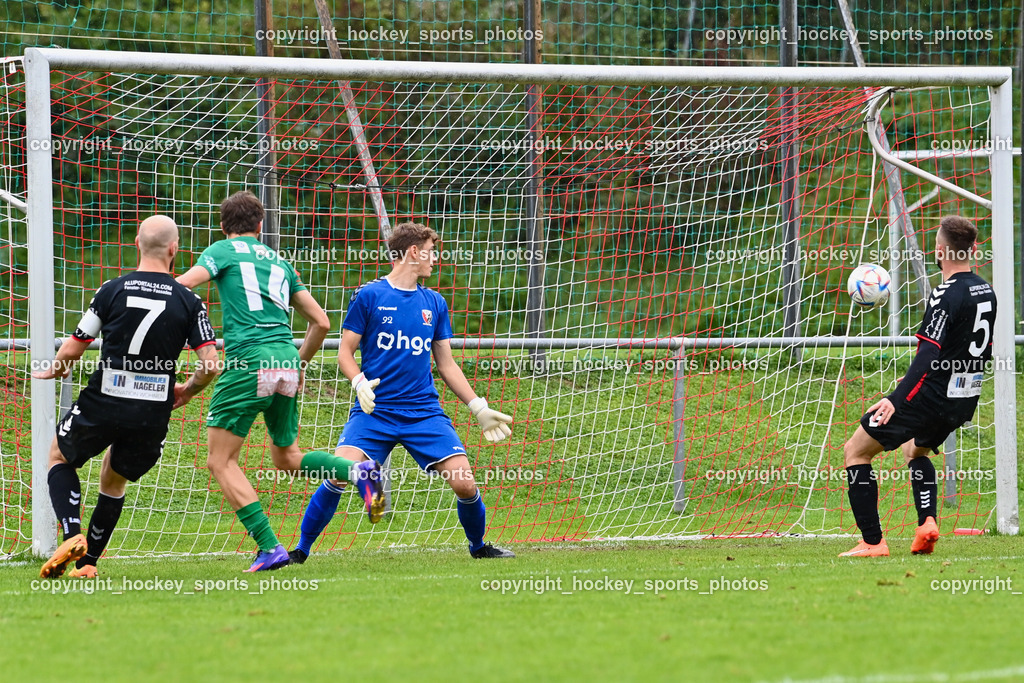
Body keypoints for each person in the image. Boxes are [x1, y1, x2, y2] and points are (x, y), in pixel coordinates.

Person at [176, 191, 382, 572]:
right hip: (284, 357)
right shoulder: (281, 263)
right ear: (260, 225)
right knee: (286, 457)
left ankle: (270, 547)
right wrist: (299, 362)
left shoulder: (222, 250)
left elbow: (183, 285)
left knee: (220, 461)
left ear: (224, 228)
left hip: (248, 359)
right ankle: (357, 470)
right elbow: (321, 322)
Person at [289, 221, 515, 564]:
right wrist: (359, 382)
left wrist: (478, 407)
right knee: (338, 474)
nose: (435, 259)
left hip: (423, 412)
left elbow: (446, 364)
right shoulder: (369, 296)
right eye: (430, 251)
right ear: (413, 252)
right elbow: (344, 353)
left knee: (465, 484)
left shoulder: (434, 303)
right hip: (374, 413)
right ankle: (300, 552)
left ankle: (479, 547)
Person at [34, 215, 219, 579]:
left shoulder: (111, 290)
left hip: (106, 396)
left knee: (59, 455)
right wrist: (187, 390)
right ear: (174, 249)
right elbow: (211, 365)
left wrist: (57, 368)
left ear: (137, 244)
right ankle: (87, 566)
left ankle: (73, 536)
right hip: (153, 407)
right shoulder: (189, 300)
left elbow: (74, 347)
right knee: (113, 480)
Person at [840, 216, 996, 557]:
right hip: (963, 397)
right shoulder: (985, 289)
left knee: (856, 451)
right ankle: (927, 523)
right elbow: (974, 348)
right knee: (915, 451)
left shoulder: (944, 294)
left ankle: (872, 542)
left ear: (940, 250)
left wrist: (896, 398)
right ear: (971, 250)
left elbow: (929, 351)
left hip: (929, 397)